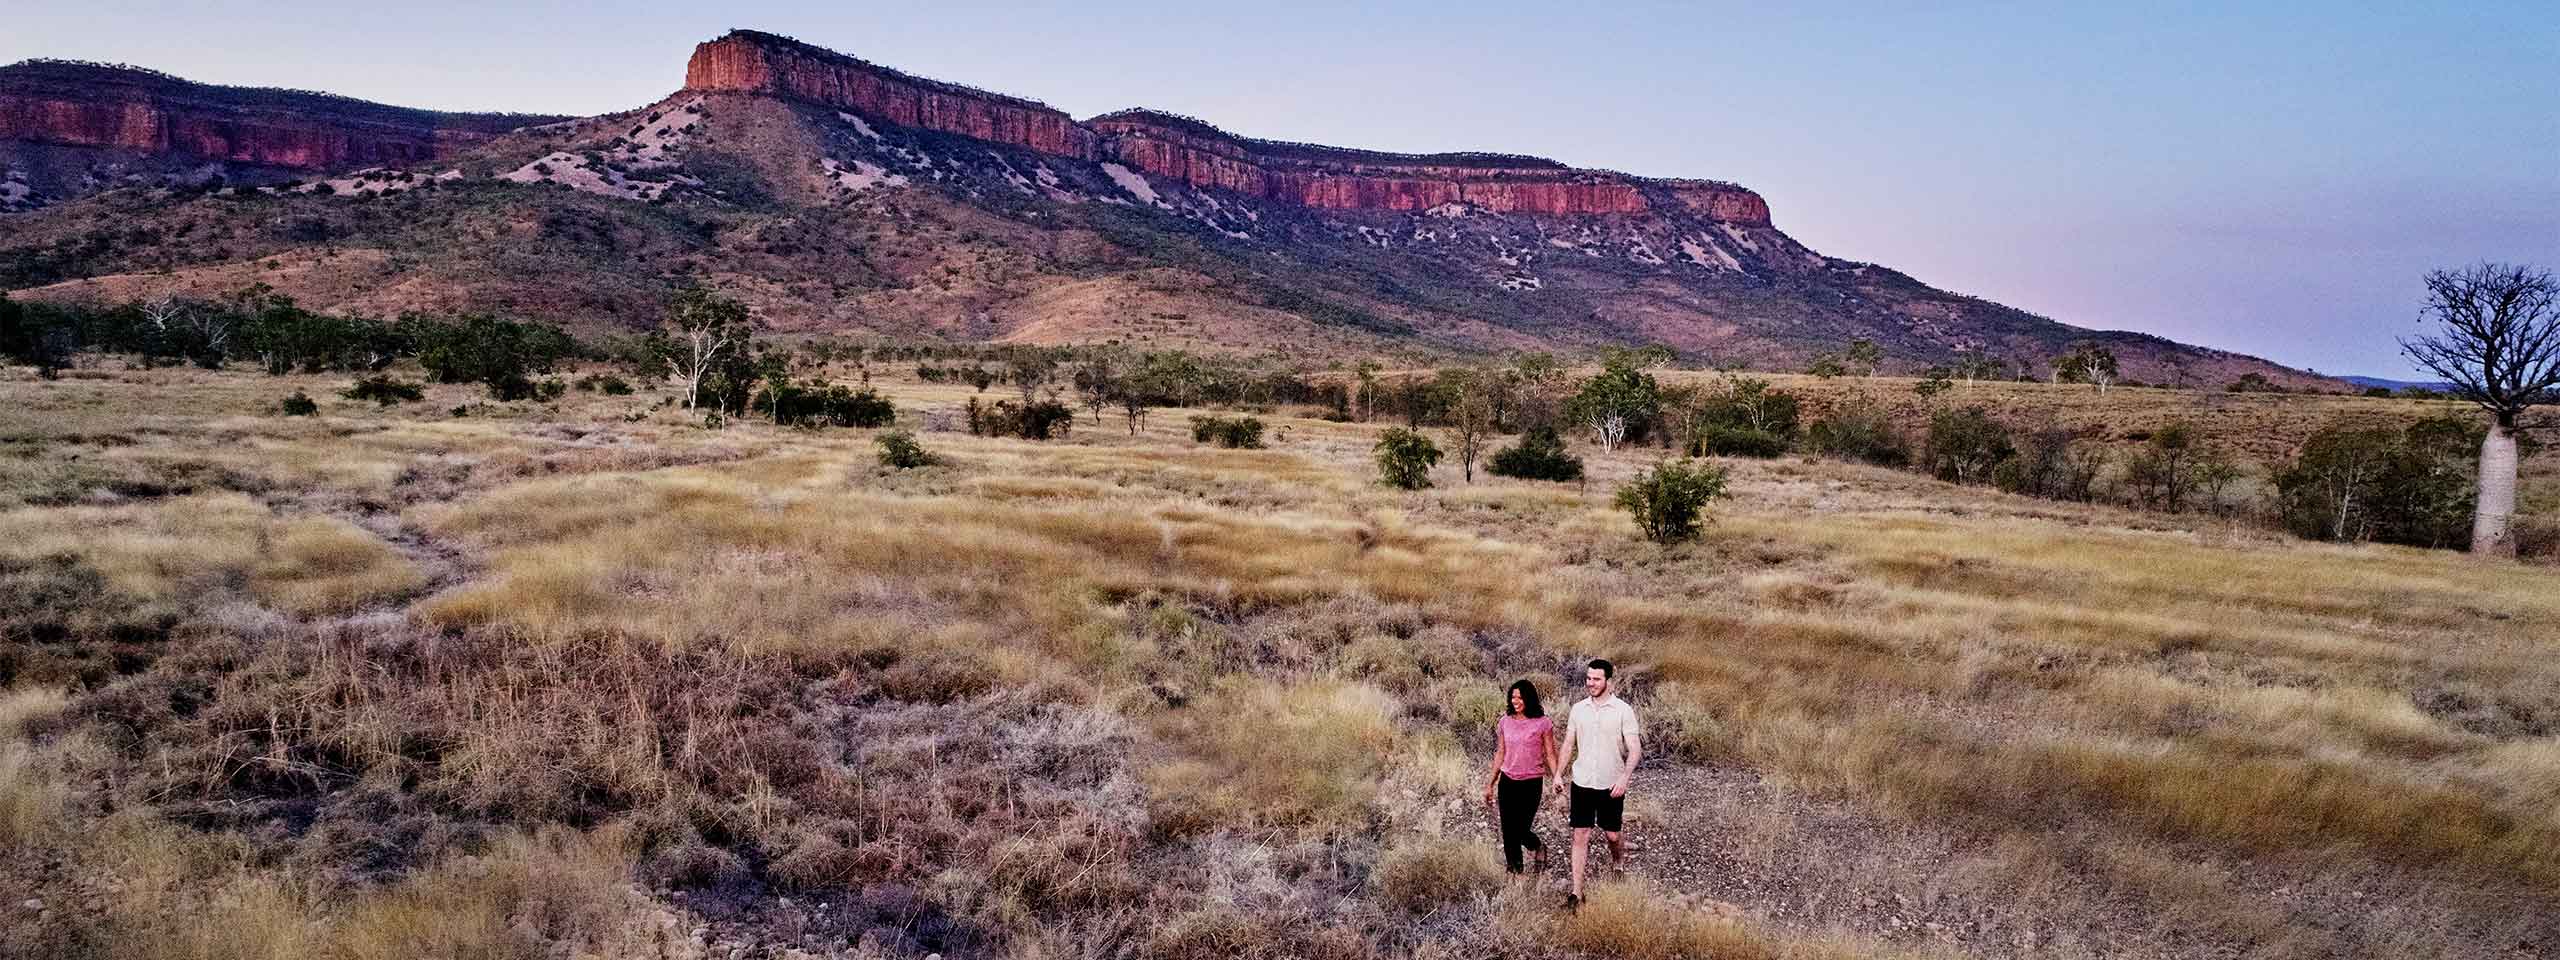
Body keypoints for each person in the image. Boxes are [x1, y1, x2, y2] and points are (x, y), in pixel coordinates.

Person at [1552, 657, 1641, 909]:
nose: (1590, 683)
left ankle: (1618, 863)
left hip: (1611, 784)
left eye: (1596, 679)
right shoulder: (1578, 709)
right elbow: (1569, 743)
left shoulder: (1623, 710)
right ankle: (1576, 894)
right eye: (1588, 678)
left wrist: (1625, 777)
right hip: (1582, 782)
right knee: (1580, 834)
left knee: (1612, 835)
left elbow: (1635, 749)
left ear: (1609, 682)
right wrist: (1558, 773)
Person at [1482, 679, 1560, 876]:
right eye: (1513, 697)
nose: (1515, 701)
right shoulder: (1505, 722)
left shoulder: (1543, 723)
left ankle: (1538, 846)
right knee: (1509, 831)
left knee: (1521, 829)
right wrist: (1490, 783)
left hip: (1531, 783)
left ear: (1529, 698)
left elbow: (1550, 753)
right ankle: (1515, 872)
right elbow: (1500, 753)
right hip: (1508, 782)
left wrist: (1557, 777)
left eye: (1520, 697)